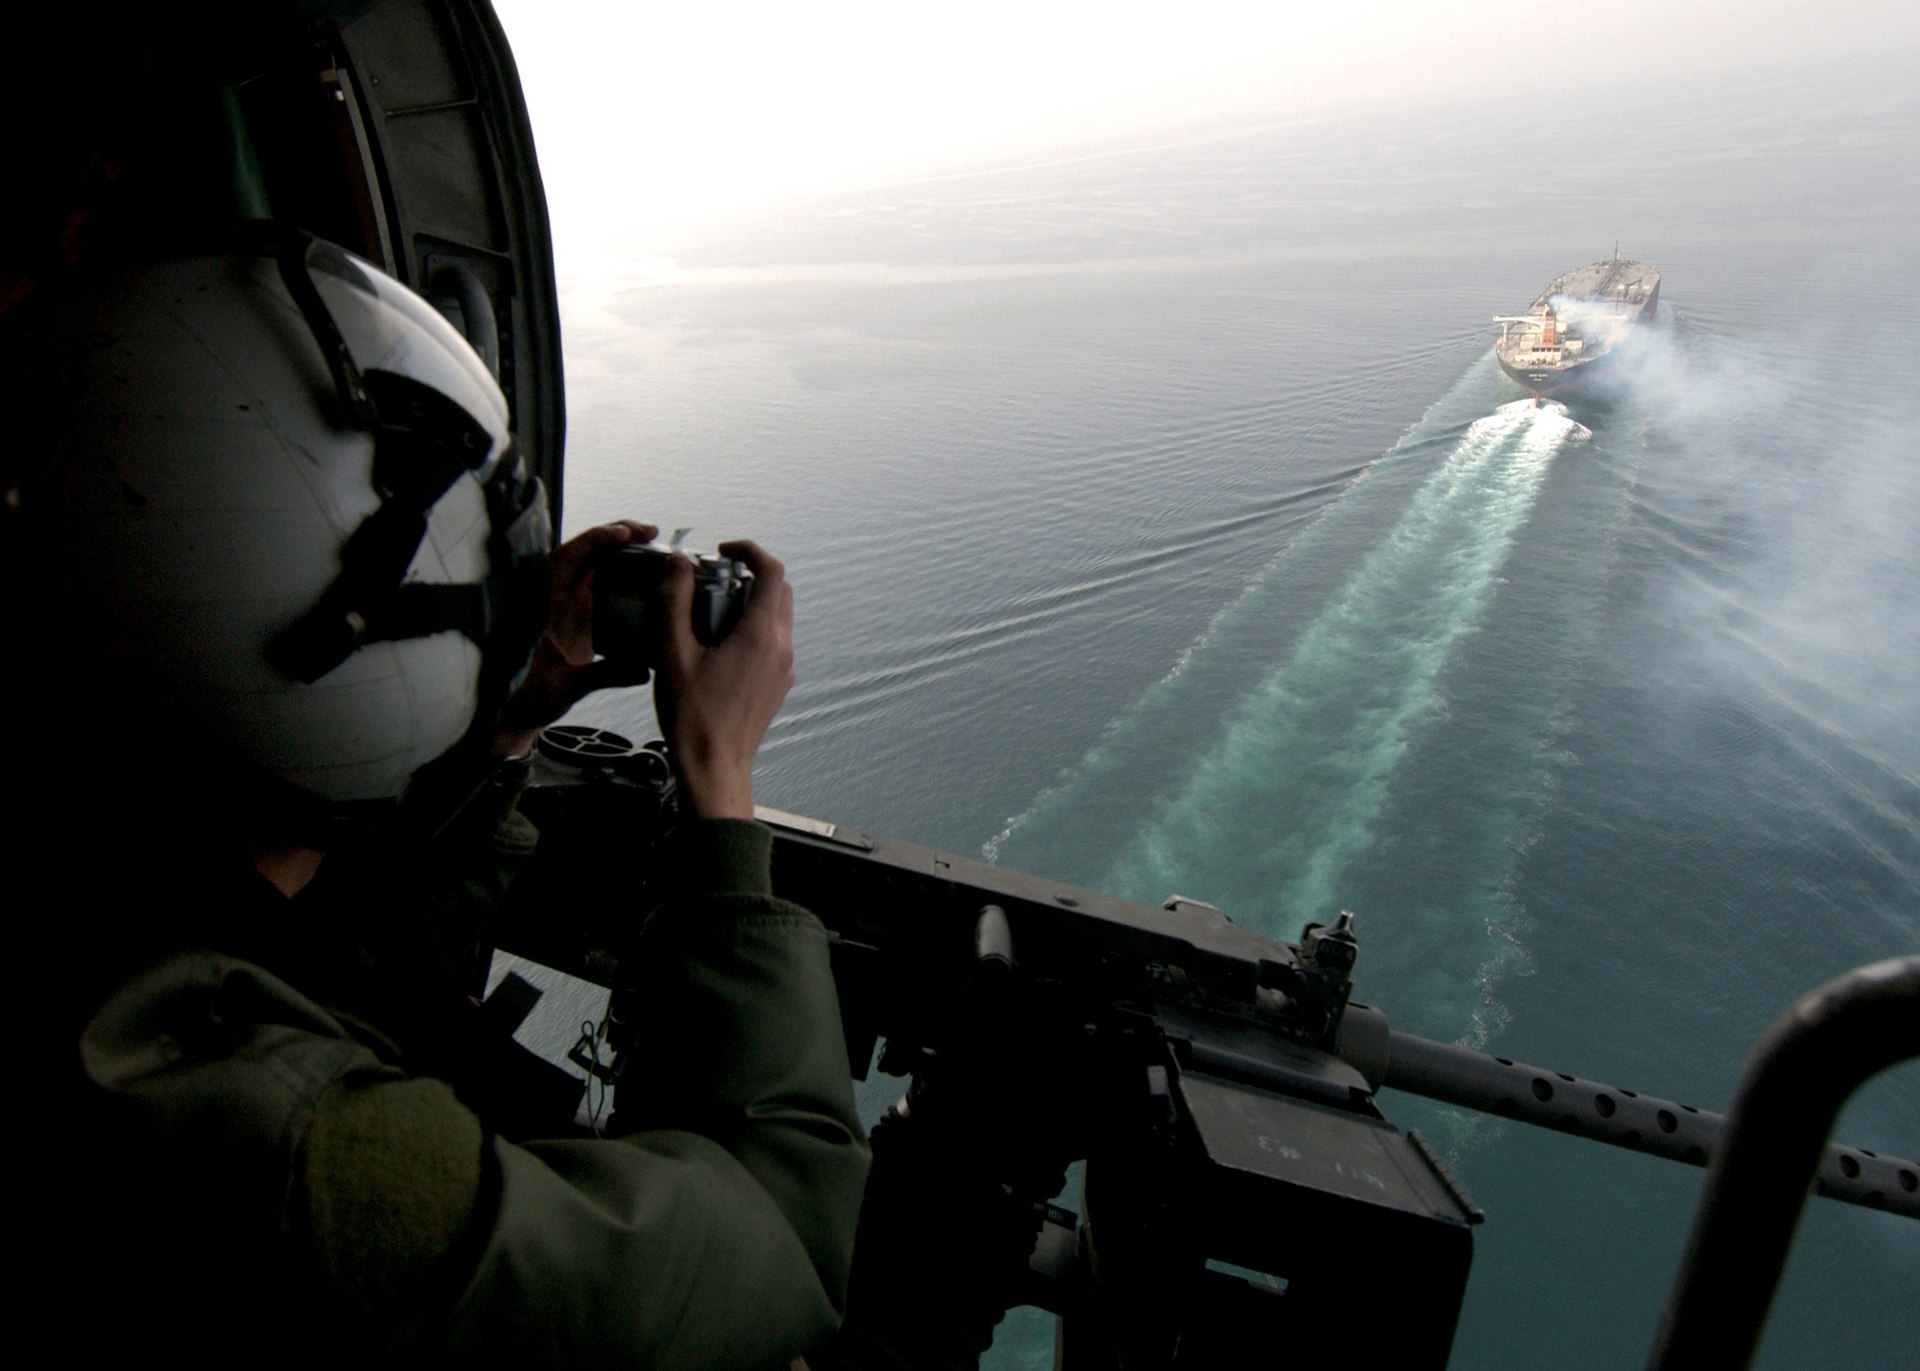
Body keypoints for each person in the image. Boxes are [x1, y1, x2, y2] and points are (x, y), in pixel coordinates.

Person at [15, 232, 868, 1363]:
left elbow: (340, 966)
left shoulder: (132, 914)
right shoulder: (283, 1147)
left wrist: (508, 723)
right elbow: (785, 1245)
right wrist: (719, 790)